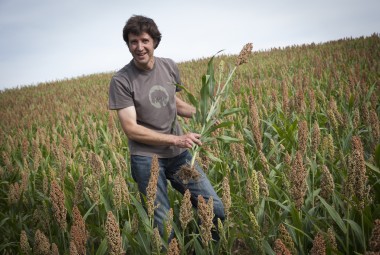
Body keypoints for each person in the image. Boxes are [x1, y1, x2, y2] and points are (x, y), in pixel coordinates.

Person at [108, 15, 225, 239]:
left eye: (144, 41)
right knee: (163, 227)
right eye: (133, 42)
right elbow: (131, 128)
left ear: (154, 42)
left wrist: (203, 114)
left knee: (215, 210)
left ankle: (202, 248)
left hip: (179, 156)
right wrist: (176, 139)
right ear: (128, 45)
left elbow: (173, 102)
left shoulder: (169, 66)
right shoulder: (122, 80)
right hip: (146, 159)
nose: (139, 47)